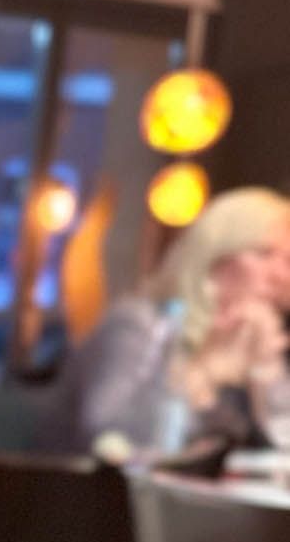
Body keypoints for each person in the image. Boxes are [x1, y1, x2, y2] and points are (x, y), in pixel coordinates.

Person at [48, 186, 290, 457]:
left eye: (288, 261)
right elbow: (109, 437)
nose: (280, 276)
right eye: (265, 254)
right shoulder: (140, 324)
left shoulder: (254, 340)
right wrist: (207, 373)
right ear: (215, 253)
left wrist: (266, 370)